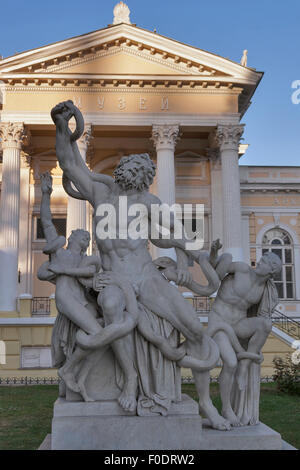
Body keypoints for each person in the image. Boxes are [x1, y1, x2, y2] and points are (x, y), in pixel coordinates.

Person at [50, 100, 231, 429]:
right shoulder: (100, 196)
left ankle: (206, 404)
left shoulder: (148, 202)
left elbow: (175, 235)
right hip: (114, 279)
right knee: (111, 305)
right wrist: (61, 125)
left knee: (193, 327)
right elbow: (69, 163)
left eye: (143, 173)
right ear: (124, 172)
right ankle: (131, 380)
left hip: (146, 277)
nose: (139, 176)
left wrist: (190, 257)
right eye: (135, 171)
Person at [37, 172, 140, 408]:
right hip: (66, 299)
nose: (84, 239)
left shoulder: (87, 261)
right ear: (71, 236)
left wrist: (63, 271)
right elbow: (46, 222)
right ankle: (70, 370)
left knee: (102, 332)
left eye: (86, 238)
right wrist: (46, 194)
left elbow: (89, 278)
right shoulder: (59, 254)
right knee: (98, 334)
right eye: (80, 236)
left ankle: (78, 376)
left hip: (82, 302)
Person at [206, 251, 282, 426]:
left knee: (265, 324)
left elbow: (262, 314)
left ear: (271, 271)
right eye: (261, 259)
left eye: (264, 262)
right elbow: (216, 268)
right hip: (219, 321)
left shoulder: (264, 289)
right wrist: (213, 255)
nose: (258, 262)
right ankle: (226, 408)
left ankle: (245, 367)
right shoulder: (241, 269)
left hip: (239, 324)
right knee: (231, 363)